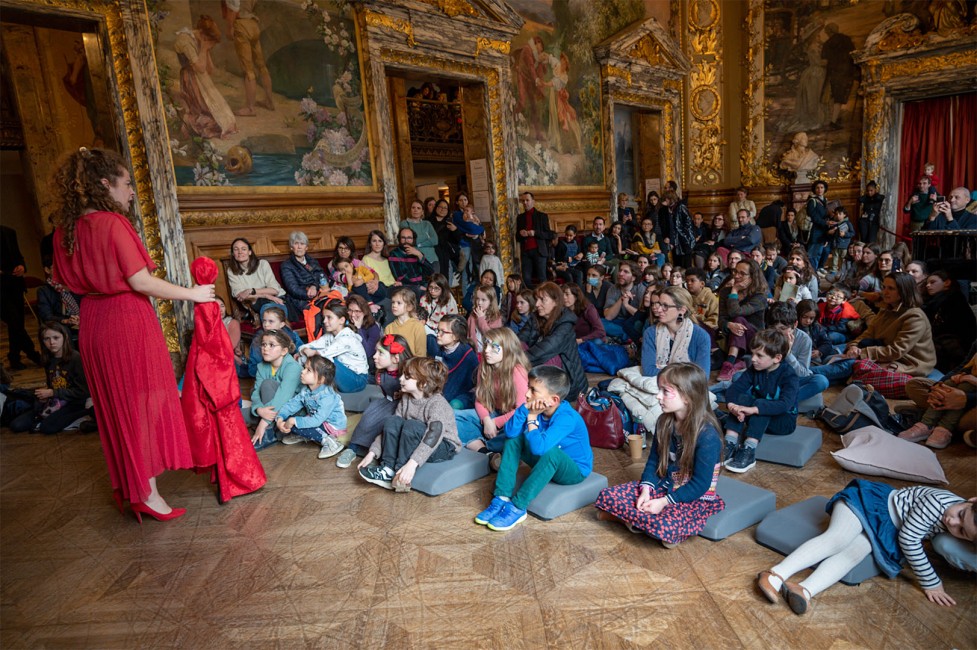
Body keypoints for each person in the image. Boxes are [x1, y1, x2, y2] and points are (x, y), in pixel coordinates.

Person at [51, 147, 215, 521]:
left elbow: (63, 283)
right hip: (125, 320)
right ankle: (147, 493)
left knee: (117, 407)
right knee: (143, 404)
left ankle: (134, 487)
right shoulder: (111, 224)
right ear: (105, 184)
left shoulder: (66, 229)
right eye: (126, 184)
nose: (131, 192)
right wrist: (192, 293)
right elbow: (139, 280)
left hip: (93, 322)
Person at [756, 482, 977, 615]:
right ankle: (776, 574)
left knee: (852, 555)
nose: (952, 523)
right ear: (972, 499)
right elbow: (910, 539)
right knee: (838, 538)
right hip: (872, 503)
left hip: (887, 529)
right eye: (960, 514)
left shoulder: (961, 521)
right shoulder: (937, 504)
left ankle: (805, 589)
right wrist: (931, 582)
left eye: (961, 531)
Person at [595, 363, 725, 547]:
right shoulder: (664, 422)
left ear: (687, 396)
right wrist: (646, 490)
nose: (658, 396)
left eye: (665, 391)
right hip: (664, 484)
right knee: (607, 495)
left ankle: (632, 522)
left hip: (691, 495)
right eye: (659, 390)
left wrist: (664, 502)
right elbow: (654, 462)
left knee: (667, 528)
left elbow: (700, 484)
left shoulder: (707, 436)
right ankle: (641, 525)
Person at [181, 256, 265, 503]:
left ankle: (230, 480)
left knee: (222, 433)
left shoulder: (203, 306)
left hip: (210, 375)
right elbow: (216, 350)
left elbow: (209, 348)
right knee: (227, 433)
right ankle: (234, 481)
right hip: (215, 378)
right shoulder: (209, 307)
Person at [474, 365, 593, 531]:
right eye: (528, 387)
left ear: (553, 400)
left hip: (573, 471)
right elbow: (510, 433)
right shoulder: (531, 406)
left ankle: (518, 507)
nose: (526, 394)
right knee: (514, 440)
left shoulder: (567, 418)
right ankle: (501, 497)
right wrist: (525, 410)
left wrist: (531, 417)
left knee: (551, 452)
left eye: (533, 390)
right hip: (545, 460)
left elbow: (540, 449)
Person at [814, 273, 936, 396]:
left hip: (907, 362)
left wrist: (862, 353)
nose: (885, 292)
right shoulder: (886, 309)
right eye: (884, 287)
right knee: (834, 352)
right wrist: (854, 346)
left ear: (904, 291)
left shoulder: (914, 317)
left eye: (891, 288)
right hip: (882, 351)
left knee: (851, 364)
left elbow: (896, 351)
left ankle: (808, 373)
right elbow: (869, 332)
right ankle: (816, 375)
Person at [359, 357, 461, 492]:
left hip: (442, 444)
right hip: (415, 436)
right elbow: (391, 428)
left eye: (407, 377)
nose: (400, 379)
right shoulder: (406, 398)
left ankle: (400, 474)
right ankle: (388, 469)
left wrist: (411, 465)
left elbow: (433, 435)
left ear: (423, 383)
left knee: (412, 425)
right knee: (392, 421)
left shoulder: (437, 404)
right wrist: (373, 452)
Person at [723, 328, 799, 474]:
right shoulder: (754, 369)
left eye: (759, 355)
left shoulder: (790, 375)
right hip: (757, 414)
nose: (753, 359)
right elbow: (734, 390)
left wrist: (754, 409)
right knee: (743, 399)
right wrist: (733, 406)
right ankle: (730, 443)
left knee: (761, 404)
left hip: (783, 421)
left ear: (777, 358)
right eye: (752, 354)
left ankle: (749, 449)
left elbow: (784, 405)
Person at [338, 334, 413, 469]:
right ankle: (353, 448)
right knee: (367, 418)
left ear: (396, 358)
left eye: (380, 353)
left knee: (386, 426)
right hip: (387, 402)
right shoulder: (382, 373)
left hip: (404, 407)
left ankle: (376, 454)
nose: (374, 356)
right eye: (376, 351)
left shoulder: (409, 375)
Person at [456, 326, 529, 454]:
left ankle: (484, 444)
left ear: (507, 349)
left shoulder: (517, 371)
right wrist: (487, 420)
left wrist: (496, 422)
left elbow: (522, 410)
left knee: (519, 431)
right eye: (486, 345)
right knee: (452, 417)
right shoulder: (484, 368)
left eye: (494, 347)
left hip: (512, 418)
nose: (486, 351)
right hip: (493, 414)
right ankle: (484, 450)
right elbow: (480, 400)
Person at [9, 321, 90, 434]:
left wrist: (53, 393)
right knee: (16, 425)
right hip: (56, 400)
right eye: (46, 339)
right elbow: (52, 384)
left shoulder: (76, 358)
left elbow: (84, 392)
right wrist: (45, 396)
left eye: (56, 337)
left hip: (74, 402)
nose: (52, 342)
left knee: (47, 428)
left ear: (64, 337)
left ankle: (86, 412)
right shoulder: (48, 359)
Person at [173, 15, 238, 139]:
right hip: (191, 79)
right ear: (203, 34)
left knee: (227, 119)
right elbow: (200, 68)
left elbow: (210, 69)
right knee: (209, 116)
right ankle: (187, 122)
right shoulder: (185, 40)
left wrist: (206, 50)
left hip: (202, 79)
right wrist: (203, 48)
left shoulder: (200, 38)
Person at [275, 355, 347, 459]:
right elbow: (292, 405)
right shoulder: (306, 390)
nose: (302, 371)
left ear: (321, 379)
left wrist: (293, 421)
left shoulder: (327, 396)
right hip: (317, 421)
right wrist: (280, 418)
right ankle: (305, 435)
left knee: (294, 422)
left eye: (308, 370)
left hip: (332, 428)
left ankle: (331, 442)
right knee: (289, 419)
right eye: (304, 368)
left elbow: (317, 420)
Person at [525, 282, 588, 402]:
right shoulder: (536, 317)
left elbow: (546, 348)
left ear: (555, 302)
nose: (537, 304)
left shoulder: (566, 324)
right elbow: (520, 339)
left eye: (542, 300)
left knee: (546, 359)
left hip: (570, 384)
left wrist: (517, 359)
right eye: (536, 299)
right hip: (549, 373)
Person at [899, 351, 976, 450]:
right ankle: (927, 424)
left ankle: (943, 426)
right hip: (962, 383)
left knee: (971, 413)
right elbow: (962, 366)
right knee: (914, 385)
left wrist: (967, 398)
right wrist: (939, 386)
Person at [246, 329, 302, 450]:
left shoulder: (293, 367)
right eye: (264, 344)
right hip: (271, 410)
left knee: (266, 384)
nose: (265, 348)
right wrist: (259, 409)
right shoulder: (262, 366)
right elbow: (256, 392)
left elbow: (283, 396)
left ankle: (268, 432)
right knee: (239, 413)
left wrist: (263, 423)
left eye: (271, 345)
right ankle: (273, 426)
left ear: (284, 351)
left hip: (292, 411)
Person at [766, 302, 830, 405]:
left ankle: (780, 403)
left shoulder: (804, 339)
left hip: (792, 380)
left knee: (821, 381)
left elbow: (803, 373)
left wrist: (788, 354)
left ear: (795, 324)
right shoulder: (766, 335)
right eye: (773, 328)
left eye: (783, 329)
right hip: (769, 379)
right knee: (738, 376)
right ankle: (779, 402)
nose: (777, 333)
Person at [641, 286, 711, 378]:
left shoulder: (701, 336)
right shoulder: (650, 333)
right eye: (659, 304)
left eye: (665, 306)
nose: (658, 310)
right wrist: (685, 374)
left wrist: (663, 371)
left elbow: (702, 376)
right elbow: (648, 371)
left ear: (682, 310)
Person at [299, 302, 369, 394]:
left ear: (341, 320)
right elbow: (306, 346)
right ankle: (306, 388)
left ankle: (314, 391)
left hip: (357, 380)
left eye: (329, 317)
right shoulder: (329, 336)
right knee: (305, 357)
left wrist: (309, 352)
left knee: (322, 360)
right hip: (343, 375)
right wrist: (304, 350)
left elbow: (320, 354)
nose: (324, 321)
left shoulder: (347, 338)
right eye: (324, 317)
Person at [717, 259, 768, 382]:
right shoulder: (724, 292)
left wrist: (734, 290)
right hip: (730, 335)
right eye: (735, 272)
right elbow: (721, 320)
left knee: (739, 319)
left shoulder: (759, 296)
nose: (737, 276)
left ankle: (729, 363)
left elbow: (736, 312)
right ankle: (736, 361)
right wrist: (729, 325)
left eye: (742, 273)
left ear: (752, 277)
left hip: (754, 339)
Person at [223, 0, 275, 117]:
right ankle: (269, 101)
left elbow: (233, 9)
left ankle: (250, 108)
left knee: (248, 69)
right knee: (261, 66)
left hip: (241, 25)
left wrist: (229, 27)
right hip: (253, 24)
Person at [0, 225, 41, 369]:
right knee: (14, 320)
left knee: (16, 323)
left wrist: (22, 266)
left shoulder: (9, 232)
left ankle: (14, 357)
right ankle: (32, 353)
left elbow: (18, 256)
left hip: (15, 285)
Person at [922, 270, 977, 373]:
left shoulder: (954, 299)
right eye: (927, 283)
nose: (928, 286)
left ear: (947, 283)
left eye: (933, 282)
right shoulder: (934, 301)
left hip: (956, 347)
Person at [226, 237, 288, 320]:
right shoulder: (231, 271)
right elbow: (239, 295)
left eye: (243, 249)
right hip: (256, 303)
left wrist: (251, 291)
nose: (240, 252)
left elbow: (274, 290)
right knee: (271, 315)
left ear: (250, 252)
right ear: (233, 253)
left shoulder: (262, 264)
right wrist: (266, 295)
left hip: (277, 298)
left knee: (274, 314)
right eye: (236, 249)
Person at [244, 304, 302, 378]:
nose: (266, 325)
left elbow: (300, 350)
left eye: (271, 321)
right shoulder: (258, 340)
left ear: (282, 324)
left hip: (289, 372)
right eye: (264, 321)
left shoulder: (291, 334)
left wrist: (297, 356)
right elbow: (252, 369)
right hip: (267, 375)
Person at [280, 231, 326, 321]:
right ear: (291, 247)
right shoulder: (286, 265)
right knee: (323, 311)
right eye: (296, 244)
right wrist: (312, 294)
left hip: (319, 293)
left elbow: (321, 276)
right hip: (301, 300)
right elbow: (293, 289)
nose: (299, 247)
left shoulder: (312, 262)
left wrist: (314, 286)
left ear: (306, 247)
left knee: (336, 304)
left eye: (302, 244)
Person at [434, 314, 477, 409]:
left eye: (443, 332)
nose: (438, 334)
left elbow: (472, 386)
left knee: (454, 405)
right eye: (438, 330)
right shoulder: (439, 350)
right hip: (443, 393)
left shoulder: (468, 355)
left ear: (456, 336)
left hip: (464, 395)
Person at [36, 258, 82, 347]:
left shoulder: (73, 285)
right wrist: (65, 320)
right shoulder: (44, 291)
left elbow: (83, 304)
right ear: (47, 270)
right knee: (63, 331)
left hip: (79, 320)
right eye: (56, 267)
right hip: (62, 323)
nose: (62, 270)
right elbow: (46, 316)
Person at [516, 192, 554, 287]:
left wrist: (535, 233)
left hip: (539, 251)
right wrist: (521, 234)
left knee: (542, 279)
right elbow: (517, 237)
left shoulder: (542, 216)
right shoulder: (520, 218)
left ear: (533, 201)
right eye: (523, 201)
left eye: (527, 200)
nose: (525, 202)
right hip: (526, 252)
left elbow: (549, 235)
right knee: (526, 279)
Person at [383, 287, 427, 360]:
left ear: (409, 307)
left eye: (399, 303)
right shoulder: (389, 328)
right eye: (393, 302)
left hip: (413, 367)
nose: (394, 305)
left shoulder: (417, 326)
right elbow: (387, 351)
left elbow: (421, 354)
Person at [419, 273, 457, 354]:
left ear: (443, 289)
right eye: (430, 287)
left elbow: (454, 318)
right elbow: (421, 317)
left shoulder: (449, 299)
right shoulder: (424, 298)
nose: (432, 291)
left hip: (444, 328)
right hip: (428, 327)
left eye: (436, 289)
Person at [388, 227, 434, 293]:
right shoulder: (394, 254)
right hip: (409, 287)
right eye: (403, 238)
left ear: (413, 240)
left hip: (424, 284)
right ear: (399, 239)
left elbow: (431, 272)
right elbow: (400, 278)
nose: (406, 241)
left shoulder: (417, 253)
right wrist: (418, 287)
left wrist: (420, 255)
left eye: (409, 238)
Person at [346, 294, 381, 373]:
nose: (352, 314)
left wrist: (358, 329)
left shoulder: (373, 327)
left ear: (364, 312)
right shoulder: (345, 324)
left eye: (357, 311)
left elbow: (367, 353)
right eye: (350, 310)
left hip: (366, 365)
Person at [428, 199, 459, 282]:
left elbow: (456, 240)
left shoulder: (450, 223)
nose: (442, 209)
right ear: (436, 208)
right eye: (440, 207)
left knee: (444, 278)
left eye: (445, 208)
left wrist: (455, 230)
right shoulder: (428, 221)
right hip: (431, 253)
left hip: (444, 254)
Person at [400, 199, 439, 267]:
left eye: (418, 208)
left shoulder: (427, 223)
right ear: (410, 210)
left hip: (432, 259)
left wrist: (419, 245)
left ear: (422, 211)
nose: (416, 210)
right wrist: (427, 237)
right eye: (413, 208)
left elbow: (435, 240)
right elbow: (409, 241)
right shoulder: (405, 223)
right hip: (415, 259)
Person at [468, 285, 504, 355]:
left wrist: (481, 318)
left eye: (483, 300)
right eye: (477, 299)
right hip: (475, 352)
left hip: (489, 353)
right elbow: (468, 335)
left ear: (491, 301)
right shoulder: (472, 316)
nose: (479, 302)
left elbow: (492, 336)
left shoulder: (496, 317)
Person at [663, 191, 695, 268]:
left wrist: (683, 234)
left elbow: (688, 222)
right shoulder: (669, 209)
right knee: (678, 263)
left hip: (684, 239)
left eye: (666, 199)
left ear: (670, 199)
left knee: (686, 263)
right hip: (676, 239)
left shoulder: (681, 207)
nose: (665, 201)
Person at [684, 268, 719, 338]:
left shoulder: (710, 297)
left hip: (706, 329)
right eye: (687, 281)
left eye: (692, 280)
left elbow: (714, 319)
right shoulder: (685, 296)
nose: (688, 283)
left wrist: (698, 325)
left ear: (702, 284)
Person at [805, 181, 830, 270]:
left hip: (824, 230)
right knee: (813, 253)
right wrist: (825, 222)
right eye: (817, 188)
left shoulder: (826, 200)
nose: (820, 190)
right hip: (815, 230)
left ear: (825, 189)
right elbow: (813, 217)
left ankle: (818, 269)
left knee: (821, 252)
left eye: (822, 187)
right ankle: (812, 271)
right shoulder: (812, 201)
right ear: (814, 189)